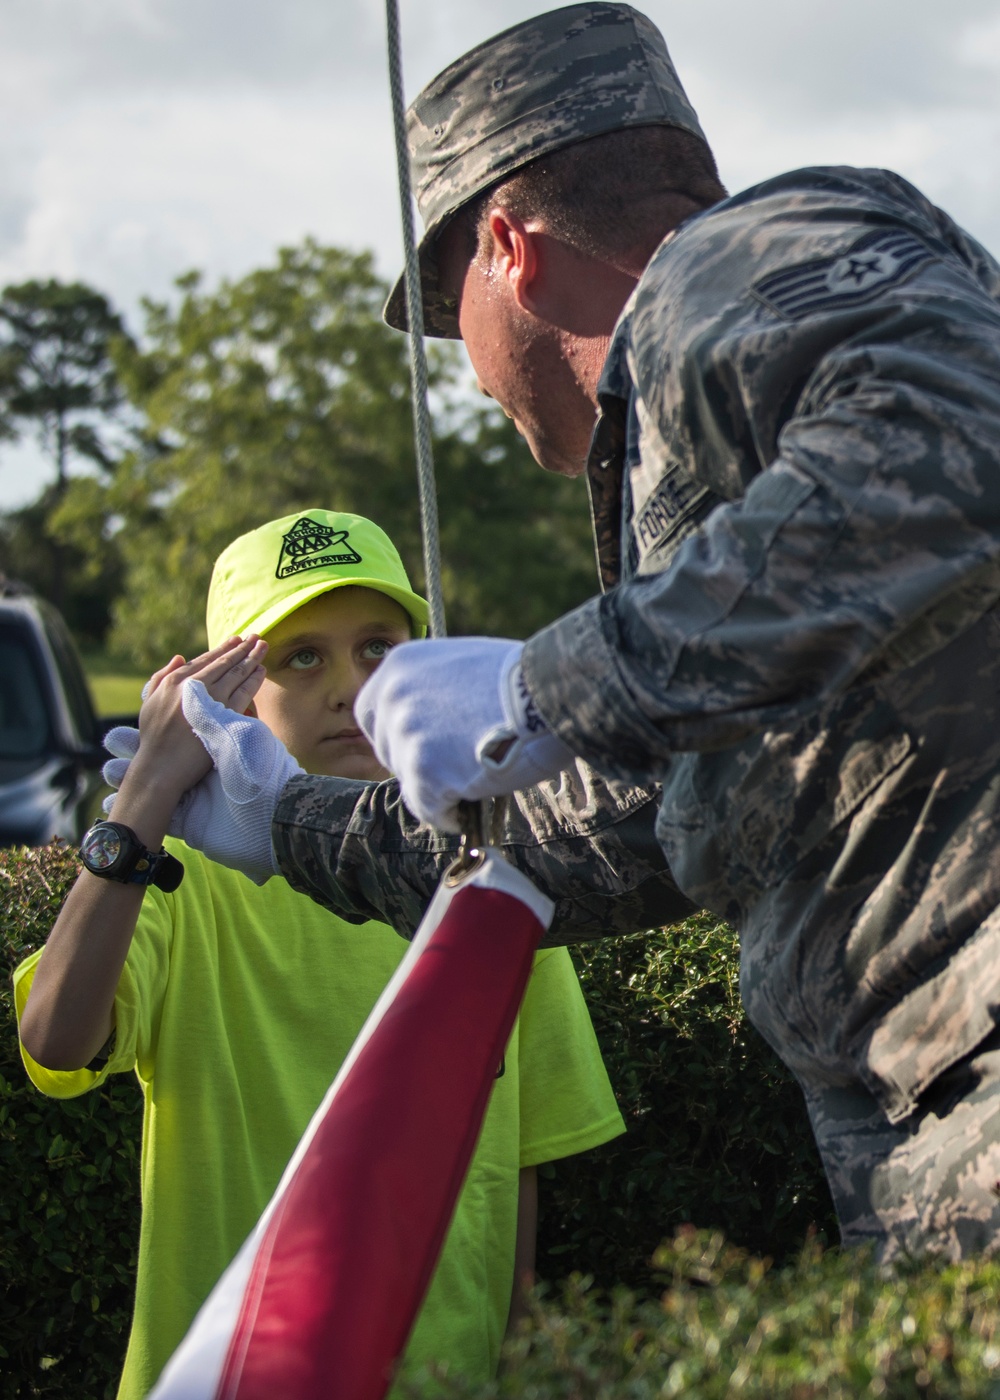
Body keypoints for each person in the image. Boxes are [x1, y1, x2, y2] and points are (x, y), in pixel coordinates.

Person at [118, 2, 1000, 1264]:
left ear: (506, 247)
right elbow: (621, 819)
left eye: (448, 312)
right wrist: (282, 819)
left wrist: (547, 682)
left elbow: (954, 446)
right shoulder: (716, 428)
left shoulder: (726, 261)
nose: (470, 373)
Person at [14, 508, 625, 1399]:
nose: (349, 686)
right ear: (227, 695)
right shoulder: (177, 878)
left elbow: (518, 1167)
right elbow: (56, 1039)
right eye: (301, 656)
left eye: (378, 646)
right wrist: (146, 790)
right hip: (226, 1376)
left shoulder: (489, 872)